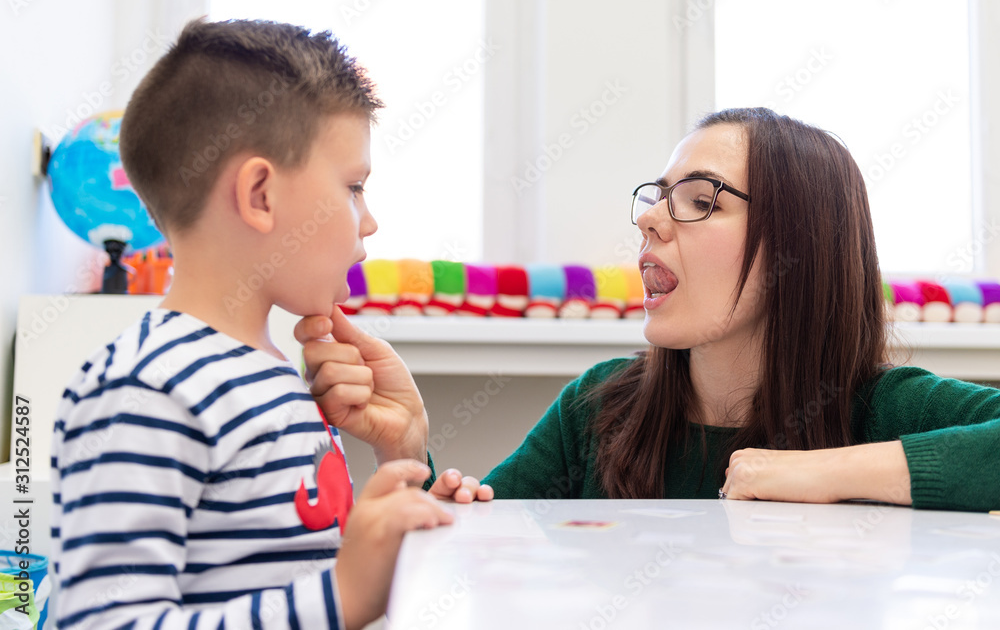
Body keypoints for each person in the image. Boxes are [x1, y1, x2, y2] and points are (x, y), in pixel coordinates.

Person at [299, 107, 1000, 513]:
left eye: (701, 200)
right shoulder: (597, 407)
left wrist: (818, 474)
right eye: (657, 197)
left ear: (801, 247)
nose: (651, 222)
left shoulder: (880, 408)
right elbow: (472, 557)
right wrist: (406, 447)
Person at [51, 18, 490, 630]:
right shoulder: (147, 391)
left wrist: (403, 530)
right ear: (260, 194)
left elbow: (285, 575)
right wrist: (344, 595)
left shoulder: (279, 377)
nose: (370, 221)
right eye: (354, 187)